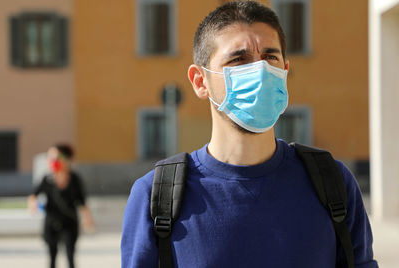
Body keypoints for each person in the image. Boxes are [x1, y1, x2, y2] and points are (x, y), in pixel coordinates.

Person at [121, 1, 378, 267]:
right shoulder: (155, 196)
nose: (260, 70)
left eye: (270, 57)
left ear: (284, 71)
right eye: (238, 59)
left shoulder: (333, 183)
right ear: (200, 81)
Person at [28, 144, 94, 268]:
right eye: (50, 158)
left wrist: (88, 219)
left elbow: (82, 202)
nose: (53, 161)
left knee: (70, 257)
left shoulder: (75, 179)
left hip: (70, 222)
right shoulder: (47, 179)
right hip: (51, 222)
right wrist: (33, 204)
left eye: (57, 157)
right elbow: (33, 195)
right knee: (52, 257)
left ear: (67, 159)